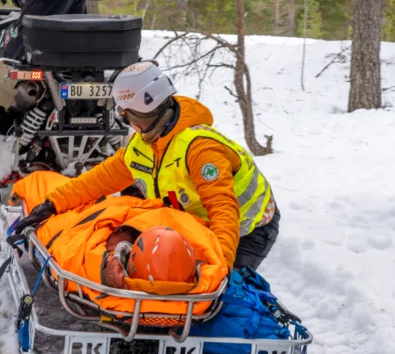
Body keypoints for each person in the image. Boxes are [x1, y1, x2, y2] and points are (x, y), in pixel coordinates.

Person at [14, 61, 281, 272]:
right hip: (193, 222)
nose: (131, 125)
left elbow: (224, 211)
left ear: (146, 111)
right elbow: (98, 181)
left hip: (247, 230)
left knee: (214, 295)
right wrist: (52, 204)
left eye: (131, 117)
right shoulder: (144, 144)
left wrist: (220, 263)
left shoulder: (200, 148)